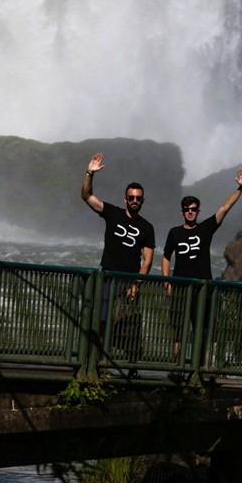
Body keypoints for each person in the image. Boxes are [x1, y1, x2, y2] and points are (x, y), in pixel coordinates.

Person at [161, 166, 242, 363]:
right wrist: (166, 280)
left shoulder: (206, 228)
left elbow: (224, 208)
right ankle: (177, 365)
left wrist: (241, 188)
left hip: (203, 288)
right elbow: (166, 256)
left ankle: (200, 367)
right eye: (187, 210)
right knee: (178, 331)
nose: (190, 212)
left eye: (193, 209)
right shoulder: (174, 232)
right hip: (180, 288)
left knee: (202, 330)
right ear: (182, 212)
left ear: (198, 211)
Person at [81, 152, 155, 372]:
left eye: (138, 198)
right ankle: (96, 368)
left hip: (129, 282)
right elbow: (86, 195)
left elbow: (147, 261)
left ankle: (131, 369)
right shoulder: (113, 213)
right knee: (101, 323)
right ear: (125, 199)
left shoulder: (147, 227)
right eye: (131, 198)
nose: (135, 201)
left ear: (143, 200)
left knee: (129, 328)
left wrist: (137, 284)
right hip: (107, 278)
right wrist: (90, 173)